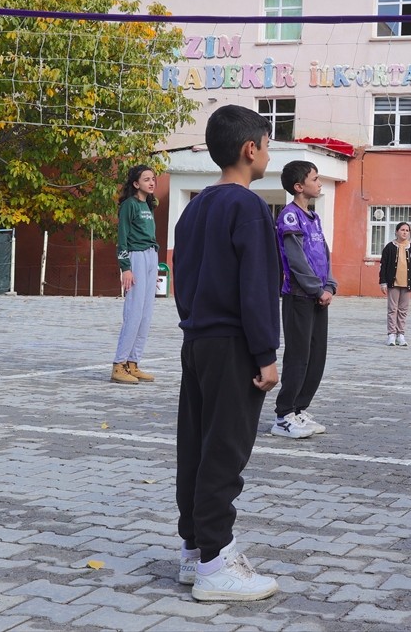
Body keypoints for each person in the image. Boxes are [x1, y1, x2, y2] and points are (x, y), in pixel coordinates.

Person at [172, 105, 281, 601]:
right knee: (225, 452)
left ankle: (194, 550)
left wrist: (195, 325)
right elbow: (256, 287)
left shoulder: (193, 208)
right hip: (234, 345)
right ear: (249, 149)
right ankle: (216, 565)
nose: (269, 155)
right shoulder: (248, 207)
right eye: (268, 145)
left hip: (196, 341)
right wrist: (265, 353)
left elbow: (183, 278)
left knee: (196, 447)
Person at [271, 160, 336, 439]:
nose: (319, 183)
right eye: (315, 179)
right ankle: (283, 415)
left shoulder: (314, 217)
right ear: (299, 186)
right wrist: (315, 289)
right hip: (299, 297)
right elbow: (296, 260)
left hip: (319, 297)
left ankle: (299, 409)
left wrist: (329, 285)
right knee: (298, 356)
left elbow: (324, 254)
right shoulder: (290, 216)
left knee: (316, 356)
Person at [111, 164, 159, 385]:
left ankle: (133, 363)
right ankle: (119, 364)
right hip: (136, 257)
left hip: (151, 256)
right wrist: (126, 267)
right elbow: (122, 237)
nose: (151, 182)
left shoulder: (148, 204)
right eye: (146, 179)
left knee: (146, 314)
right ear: (136, 183)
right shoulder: (129, 205)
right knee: (134, 312)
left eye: (153, 179)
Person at [378, 222, 411, 346]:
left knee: (403, 310)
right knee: (392, 309)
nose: (405, 232)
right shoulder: (389, 247)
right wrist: (383, 282)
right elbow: (383, 266)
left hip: (407, 284)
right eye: (402, 230)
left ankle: (400, 335)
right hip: (393, 283)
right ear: (396, 231)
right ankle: (391, 334)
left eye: (407, 230)